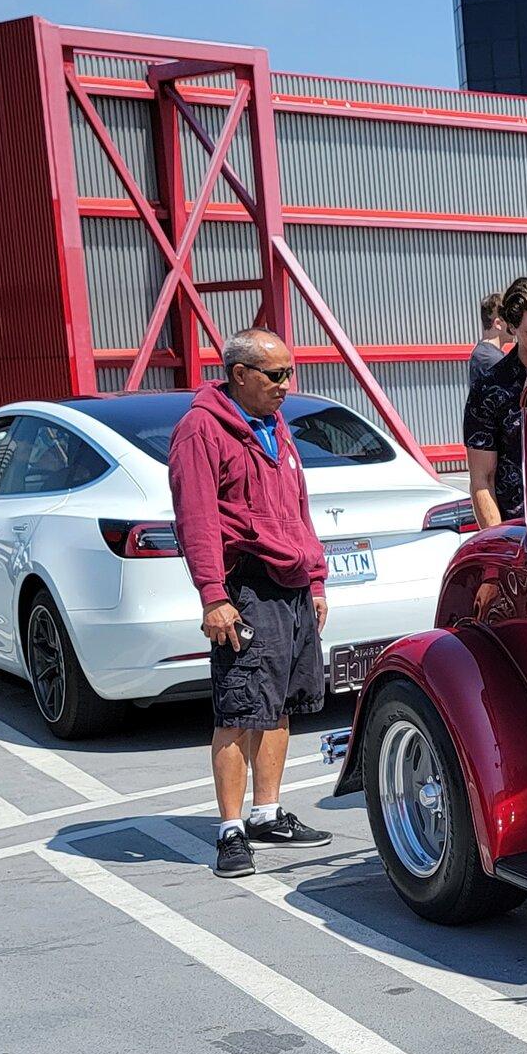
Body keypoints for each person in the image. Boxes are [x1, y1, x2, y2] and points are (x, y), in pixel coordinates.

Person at [167, 327, 336, 878]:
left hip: (291, 583)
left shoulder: (275, 424)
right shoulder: (200, 430)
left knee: (278, 703)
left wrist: (315, 580)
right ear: (239, 374)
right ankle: (231, 831)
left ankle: (267, 814)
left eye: (290, 372)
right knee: (239, 710)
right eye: (276, 374)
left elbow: (298, 508)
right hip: (245, 585)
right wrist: (213, 597)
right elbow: (196, 520)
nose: (287, 384)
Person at [462, 274, 527, 527]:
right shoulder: (489, 390)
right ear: (512, 328)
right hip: (522, 529)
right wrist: (499, 540)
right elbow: (482, 479)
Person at [468, 289, 510, 385]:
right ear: (498, 323)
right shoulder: (492, 359)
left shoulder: (485, 354)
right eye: (510, 320)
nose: (514, 326)